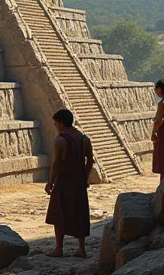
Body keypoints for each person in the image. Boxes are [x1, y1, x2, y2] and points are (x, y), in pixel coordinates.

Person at [44, 109, 93, 258]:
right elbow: (90, 160)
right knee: (80, 212)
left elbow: (56, 164)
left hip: (64, 180)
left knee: (58, 213)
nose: (56, 126)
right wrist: (85, 176)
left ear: (61, 123)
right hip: (79, 180)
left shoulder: (61, 140)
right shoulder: (84, 139)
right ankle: (81, 248)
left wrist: (50, 182)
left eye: (56, 123)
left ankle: (59, 248)